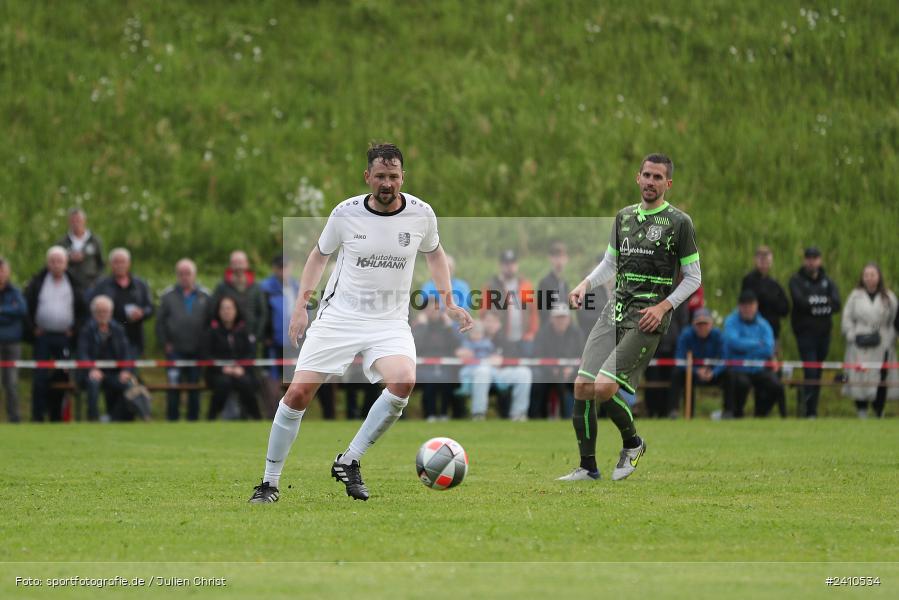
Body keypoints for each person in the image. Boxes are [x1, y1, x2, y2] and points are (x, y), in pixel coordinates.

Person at [248, 143, 472, 503]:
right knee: (298, 394)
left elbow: (435, 253)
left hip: (389, 321)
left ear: (403, 177)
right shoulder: (345, 213)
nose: (387, 183)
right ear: (367, 177)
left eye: (394, 176)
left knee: (403, 381)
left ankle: (349, 460)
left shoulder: (421, 213)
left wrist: (449, 301)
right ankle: (269, 483)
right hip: (339, 317)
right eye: (380, 176)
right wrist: (301, 306)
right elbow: (319, 257)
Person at [560, 153, 701, 482]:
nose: (650, 182)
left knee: (604, 387)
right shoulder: (623, 217)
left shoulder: (680, 223)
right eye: (646, 175)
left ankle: (633, 444)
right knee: (582, 385)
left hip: (648, 316)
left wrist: (664, 307)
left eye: (657, 177)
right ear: (637, 178)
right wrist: (585, 284)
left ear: (668, 184)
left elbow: (694, 278)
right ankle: (588, 467)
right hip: (614, 310)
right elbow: (610, 264)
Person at [24, 246, 88, 422]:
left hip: (64, 338)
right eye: (52, 261)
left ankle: (57, 416)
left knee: (62, 377)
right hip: (42, 337)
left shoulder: (74, 283)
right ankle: (37, 417)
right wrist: (32, 329)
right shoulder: (37, 282)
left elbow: (83, 310)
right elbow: (26, 308)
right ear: (47, 263)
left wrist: (74, 330)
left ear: (66, 263)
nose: (56, 264)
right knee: (40, 378)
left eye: (59, 261)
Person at [840, 263, 898, 418]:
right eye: (866, 275)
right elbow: (847, 318)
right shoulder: (855, 296)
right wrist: (851, 335)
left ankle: (879, 410)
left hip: (882, 343)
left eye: (873, 274)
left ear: (879, 277)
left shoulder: (889, 296)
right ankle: (861, 411)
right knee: (859, 376)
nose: (870, 278)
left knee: (881, 377)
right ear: (862, 277)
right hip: (859, 342)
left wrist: (890, 338)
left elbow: (894, 321)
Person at [156, 259, 211, 421]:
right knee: (174, 386)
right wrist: (165, 343)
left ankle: (193, 419)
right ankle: (172, 419)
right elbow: (160, 323)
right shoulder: (167, 296)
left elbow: (210, 323)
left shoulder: (206, 296)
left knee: (194, 386)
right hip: (175, 351)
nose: (185, 277)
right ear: (177, 275)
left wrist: (206, 346)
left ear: (194, 275)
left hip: (197, 351)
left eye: (188, 273)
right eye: (181, 274)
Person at [789, 246, 841, 417]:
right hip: (805, 335)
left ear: (820, 260)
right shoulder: (796, 280)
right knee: (810, 371)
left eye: (815, 258)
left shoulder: (828, 281)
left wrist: (814, 303)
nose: (811, 261)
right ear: (805, 260)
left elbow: (836, 305)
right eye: (808, 258)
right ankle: (807, 410)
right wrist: (823, 302)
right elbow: (801, 303)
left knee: (817, 373)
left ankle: (813, 410)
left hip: (824, 335)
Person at [722, 290, 785, 418]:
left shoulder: (764, 324)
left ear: (756, 306)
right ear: (739, 306)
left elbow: (768, 349)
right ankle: (737, 413)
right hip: (738, 368)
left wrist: (744, 347)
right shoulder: (731, 321)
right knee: (742, 384)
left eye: (751, 305)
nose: (748, 309)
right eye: (744, 306)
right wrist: (757, 343)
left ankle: (760, 414)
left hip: (759, 368)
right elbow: (733, 343)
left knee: (776, 386)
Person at [466, 310, 533, 420]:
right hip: (479, 371)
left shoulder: (506, 339)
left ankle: (519, 414)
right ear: (482, 322)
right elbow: (462, 351)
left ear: (499, 324)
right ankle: (478, 413)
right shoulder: (473, 336)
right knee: (482, 371)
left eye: (494, 321)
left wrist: (503, 360)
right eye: (488, 321)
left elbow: (514, 357)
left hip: (501, 372)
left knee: (524, 372)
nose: (490, 324)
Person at [77, 295, 134, 421]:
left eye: (105, 311)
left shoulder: (118, 329)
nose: (103, 314)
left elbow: (127, 353)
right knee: (93, 383)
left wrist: (126, 370)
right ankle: (93, 418)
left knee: (129, 385)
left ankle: (114, 418)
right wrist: (91, 369)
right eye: (99, 311)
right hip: (92, 373)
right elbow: (82, 353)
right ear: (93, 313)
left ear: (111, 312)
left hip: (114, 373)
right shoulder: (87, 330)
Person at [89, 248, 154, 356]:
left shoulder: (140, 284)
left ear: (129, 263)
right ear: (110, 264)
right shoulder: (101, 285)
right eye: (116, 262)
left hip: (134, 337)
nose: (119, 265)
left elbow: (150, 308)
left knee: (130, 371)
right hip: (108, 338)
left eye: (122, 262)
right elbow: (91, 308)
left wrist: (142, 312)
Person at [205, 295, 261, 420]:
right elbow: (207, 355)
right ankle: (211, 417)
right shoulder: (212, 331)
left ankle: (256, 417)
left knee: (246, 382)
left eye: (230, 308)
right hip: (218, 373)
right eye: (224, 308)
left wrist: (241, 368)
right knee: (223, 383)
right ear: (218, 311)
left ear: (236, 310)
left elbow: (251, 353)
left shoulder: (244, 330)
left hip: (241, 371)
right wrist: (223, 369)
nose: (227, 311)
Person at [412, 296, 462, 420]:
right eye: (430, 308)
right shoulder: (418, 326)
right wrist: (422, 326)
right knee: (430, 380)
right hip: (424, 365)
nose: (434, 311)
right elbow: (416, 346)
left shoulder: (445, 326)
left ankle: (444, 413)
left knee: (447, 380)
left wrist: (449, 327)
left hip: (445, 365)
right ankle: (430, 414)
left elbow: (456, 345)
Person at [530, 305, 583, 419]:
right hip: (547, 371)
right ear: (551, 319)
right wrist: (551, 369)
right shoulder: (543, 333)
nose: (561, 321)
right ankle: (537, 416)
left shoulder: (577, 333)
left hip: (572, 371)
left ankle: (574, 416)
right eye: (558, 318)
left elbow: (583, 356)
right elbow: (537, 355)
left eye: (563, 318)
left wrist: (572, 369)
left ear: (569, 319)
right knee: (538, 380)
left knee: (580, 382)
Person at [482, 249, 539, 354]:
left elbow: (533, 312)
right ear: (500, 265)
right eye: (506, 263)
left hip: (524, 339)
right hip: (500, 339)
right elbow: (484, 313)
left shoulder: (526, 285)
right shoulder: (491, 286)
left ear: (517, 265)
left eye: (512, 263)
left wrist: (531, 332)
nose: (509, 267)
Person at [210, 250, 268, 349]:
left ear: (247, 264)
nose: (238, 267)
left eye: (241, 263)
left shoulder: (256, 287)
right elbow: (213, 310)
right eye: (235, 263)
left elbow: (263, 313)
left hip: (250, 337)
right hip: (226, 339)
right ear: (230, 265)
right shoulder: (222, 287)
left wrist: (256, 336)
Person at [672, 307, 725, 414]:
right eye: (699, 324)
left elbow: (725, 359)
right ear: (693, 324)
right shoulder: (686, 335)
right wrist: (696, 371)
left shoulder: (718, 335)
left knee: (730, 374)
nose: (702, 327)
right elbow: (679, 360)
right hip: (692, 372)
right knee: (676, 373)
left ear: (711, 324)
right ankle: (674, 411)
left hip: (713, 373)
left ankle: (729, 412)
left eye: (705, 323)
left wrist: (714, 372)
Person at [741, 245, 790, 344]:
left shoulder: (774, 283)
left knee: (773, 358)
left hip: (773, 331)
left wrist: (770, 301)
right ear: (755, 260)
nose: (764, 264)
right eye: (761, 260)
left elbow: (785, 308)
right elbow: (747, 305)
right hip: (753, 332)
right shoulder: (749, 281)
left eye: (767, 260)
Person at [0, 257, 27, 422]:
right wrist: (8, 312)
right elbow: (14, 312)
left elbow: (21, 310)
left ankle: (14, 418)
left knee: (11, 383)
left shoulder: (15, 291)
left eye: (2, 270)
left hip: (12, 343)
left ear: (7, 272)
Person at [57, 208, 104, 291]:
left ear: (84, 221)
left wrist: (98, 281)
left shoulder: (94, 241)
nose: (76, 223)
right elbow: (56, 263)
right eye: (73, 220)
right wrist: (69, 258)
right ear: (69, 222)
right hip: (68, 285)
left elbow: (100, 263)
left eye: (78, 220)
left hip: (90, 284)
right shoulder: (62, 242)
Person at [537, 241, 571, 328]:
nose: (559, 261)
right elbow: (543, 312)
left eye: (562, 257)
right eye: (556, 257)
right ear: (550, 259)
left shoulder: (565, 283)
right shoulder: (545, 283)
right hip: (550, 330)